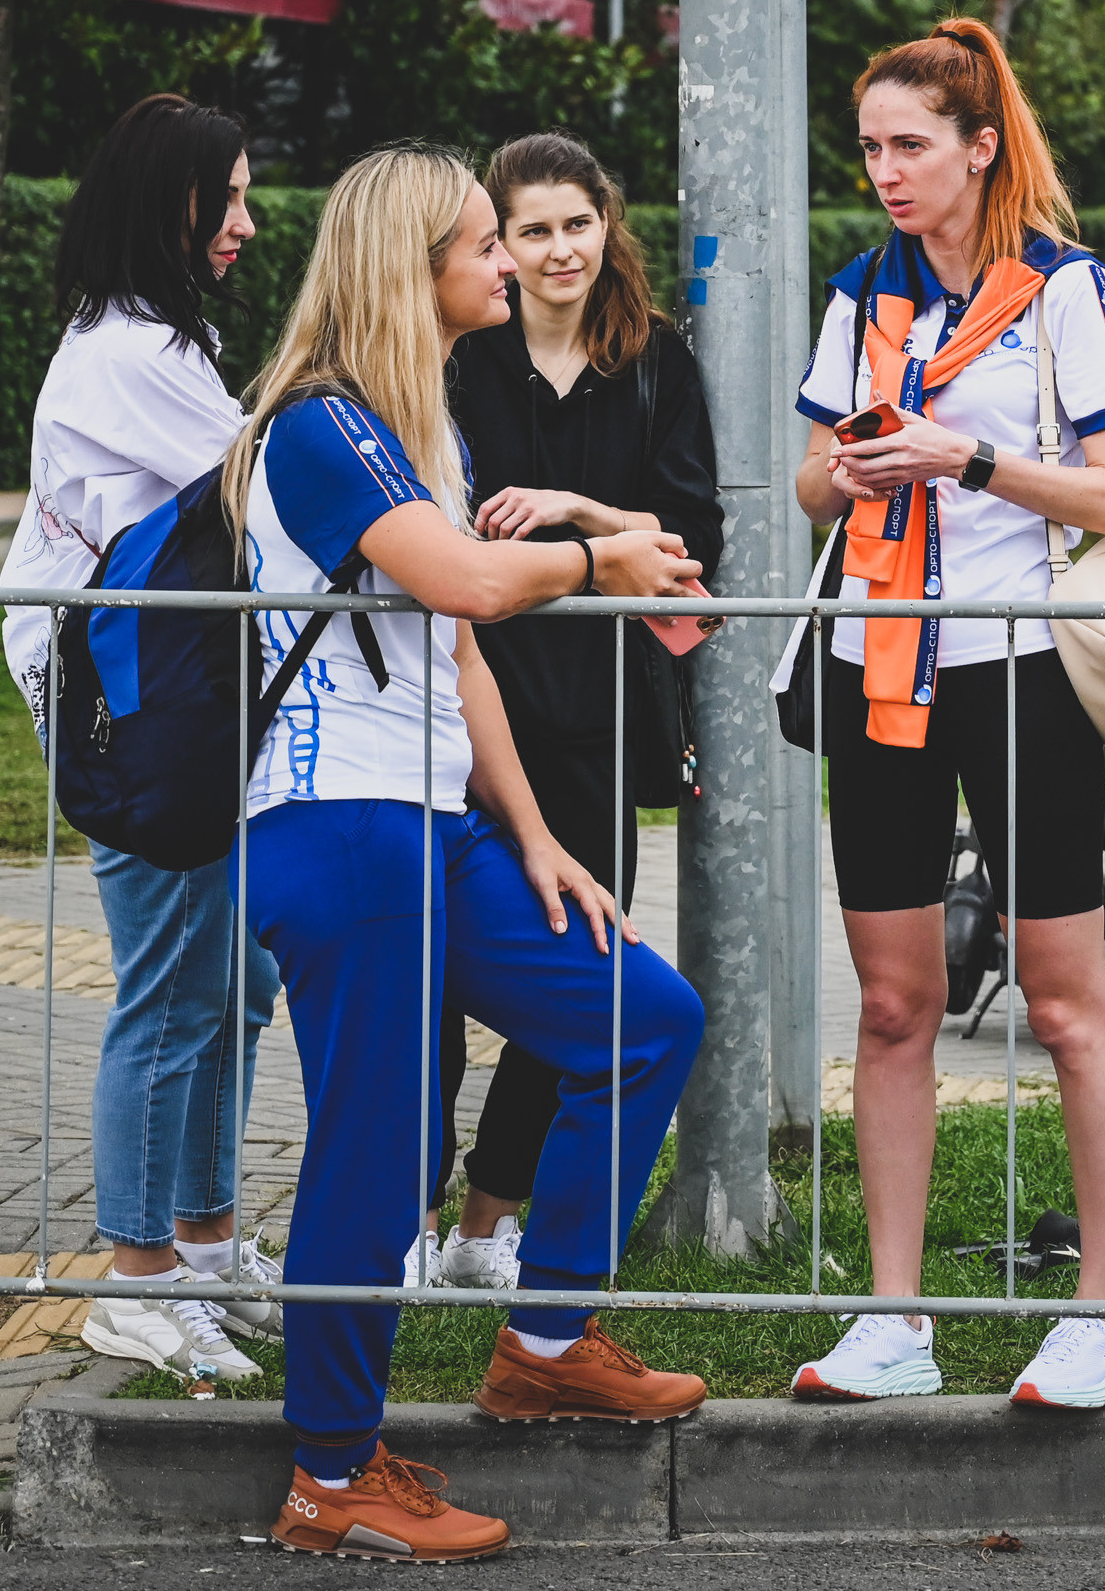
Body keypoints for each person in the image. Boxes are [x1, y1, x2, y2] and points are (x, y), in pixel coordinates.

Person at [222, 145, 710, 1562]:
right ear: (413, 267)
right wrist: (596, 558)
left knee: (643, 1017)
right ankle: (331, 1473)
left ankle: (546, 1337)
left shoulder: (409, 418)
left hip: (439, 827)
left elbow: (456, 652)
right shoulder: (317, 425)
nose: (508, 262)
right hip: (343, 834)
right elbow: (472, 581)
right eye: (484, 244)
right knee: (378, 1162)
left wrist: (540, 837)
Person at [784, 19, 1105, 1410]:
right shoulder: (863, 292)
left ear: (979, 147)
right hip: (880, 659)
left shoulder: (1065, 288)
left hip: (1023, 674)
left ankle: (1104, 1322)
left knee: (1065, 1004)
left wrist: (975, 459)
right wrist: (859, 476)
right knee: (892, 1003)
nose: (885, 170)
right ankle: (898, 1322)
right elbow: (812, 479)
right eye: (871, 146)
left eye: (910, 145)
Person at [0, 94, 282, 1384]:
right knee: (169, 994)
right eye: (220, 197)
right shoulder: (125, 357)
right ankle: (137, 1274)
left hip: (178, 701)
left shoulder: (164, 340)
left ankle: (207, 1251)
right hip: (137, 717)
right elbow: (269, 489)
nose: (244, 221)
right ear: (158, 199)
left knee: (234, 985)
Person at [424, 132, 724, 1291]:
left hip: (600, 710)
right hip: (461, 701)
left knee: (576, 969)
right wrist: (608, 538)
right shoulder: (459, 360)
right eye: (530, 230)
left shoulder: (656, 362)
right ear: (497, 241)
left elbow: (692, 544)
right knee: (434, 982)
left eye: (576, 223)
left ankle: (484, 1230)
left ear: (609, 223)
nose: (557, 251)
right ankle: (409, 1207)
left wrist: (578, 508)